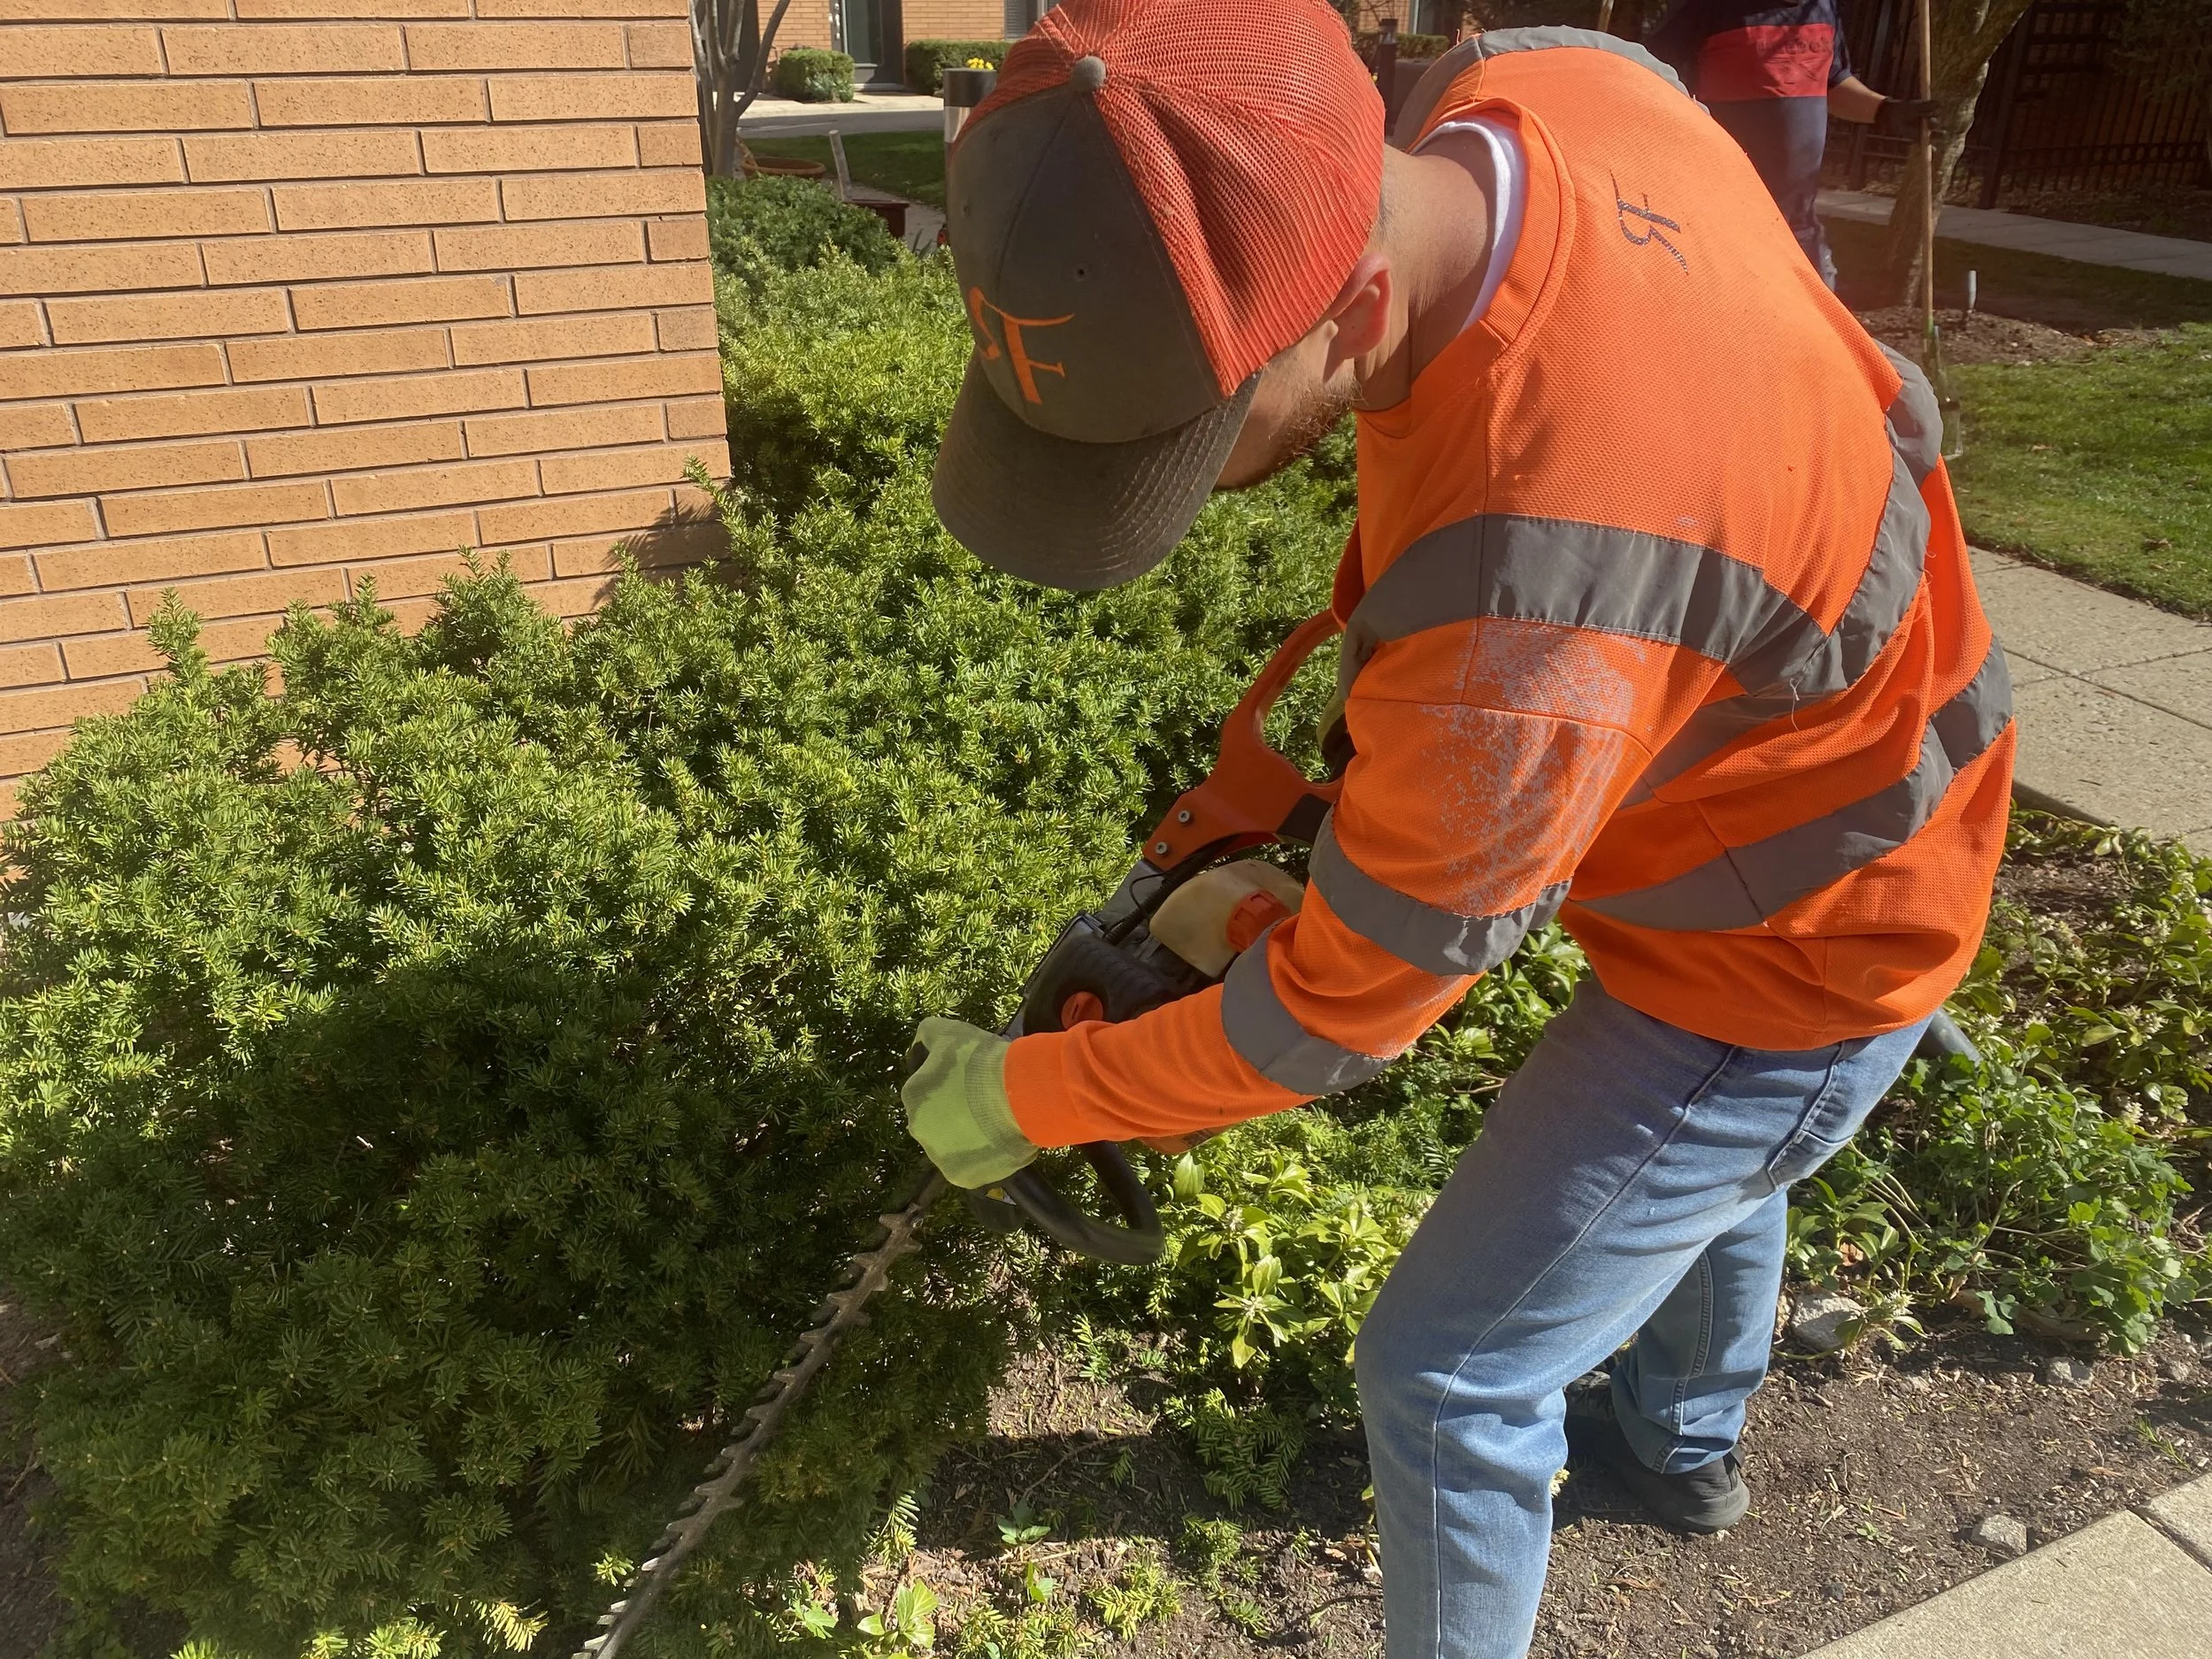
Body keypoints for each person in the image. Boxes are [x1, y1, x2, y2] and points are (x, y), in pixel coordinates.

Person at [900, 3, 2012, 1655]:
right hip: (1848, 789)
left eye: (1193, 444)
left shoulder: (1530, 606)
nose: (1196, 487)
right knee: (1704, 1183)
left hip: (1800, 947)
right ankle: (1687, 1452)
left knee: (1449, 1370)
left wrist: (1031, 1092)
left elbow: (1333, 1021)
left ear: (1352, 305)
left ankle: (1632, 1462)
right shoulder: (1553, 85)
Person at [1647, 0, 1936, 288]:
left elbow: (1832, 81)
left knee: (1817, 323)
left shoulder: (1822, 7)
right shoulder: (1711, 7)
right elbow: (1649, 75)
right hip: (1722, 224)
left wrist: (1886, 110)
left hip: (1798, 229)